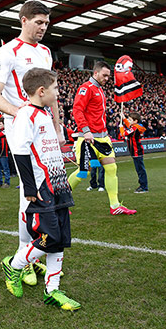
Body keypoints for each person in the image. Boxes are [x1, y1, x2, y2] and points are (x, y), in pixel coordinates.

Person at [0, 0, 61, 285]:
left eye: (46, 23)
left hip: (45, 130)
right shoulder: (7, 52)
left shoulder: (45, 52)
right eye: (38, 22)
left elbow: (51, 93)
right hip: (22, 128)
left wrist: (56, 126)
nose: (43, 28)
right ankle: (22, 258)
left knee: (47, 188)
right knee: (29, 191)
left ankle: (35, 252)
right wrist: (24, 115)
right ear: (23, 21)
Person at [0, 68, 80, 311]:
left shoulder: (44, 114)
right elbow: (21, 151)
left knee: (61, 240)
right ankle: (13, 265)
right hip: (41, 187)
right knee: (49, 238)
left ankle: (52, 290)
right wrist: (30, 187)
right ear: (42, 91)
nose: (58, 92)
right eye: (55, 88)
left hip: (58, 184)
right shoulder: (26, 115)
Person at [67, 61, 137, 215]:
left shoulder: (100, 90)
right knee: (83, 172)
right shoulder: (86, 88)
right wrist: (86, 131)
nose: (107, 78)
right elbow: (77, 110)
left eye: (108, 76)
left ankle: (115, 205)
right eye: (104, 75)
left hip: (102, 137)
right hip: (88, 138)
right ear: (95, 73)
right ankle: (60, 202)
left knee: (111, 168)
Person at [120, 110, 148, 193]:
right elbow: (129, 126)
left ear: (135, 121)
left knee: (140, 170)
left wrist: (121, 127)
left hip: (136, 151)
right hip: (135, 151)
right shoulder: (135, 127)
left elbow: (124, 134)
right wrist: (124, 118)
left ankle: (144, 186)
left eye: (130, 120)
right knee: (139, 169)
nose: (128, 121)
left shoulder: (135, 128)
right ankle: (142, 185)